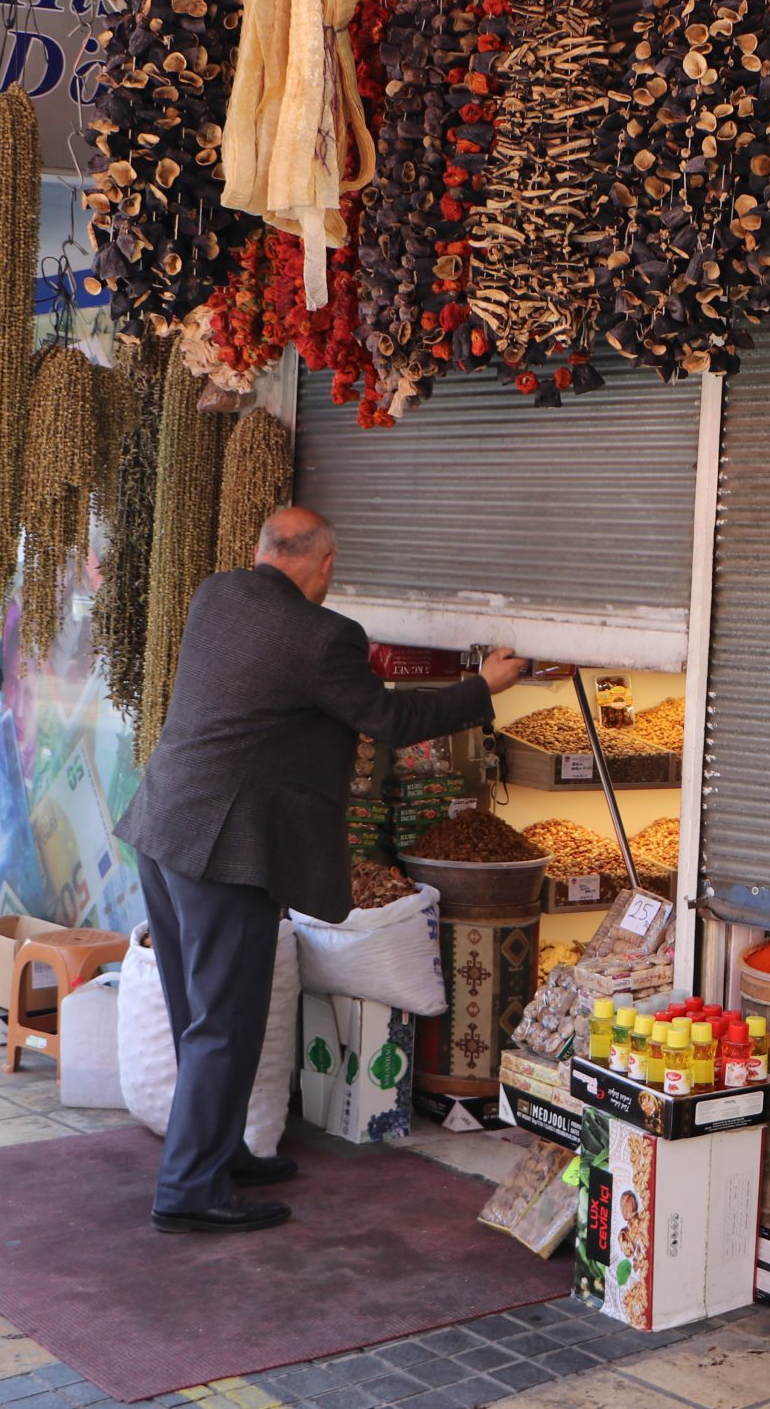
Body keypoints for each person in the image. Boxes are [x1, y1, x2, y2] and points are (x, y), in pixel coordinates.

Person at [117, 505, 527, 1234]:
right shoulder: (324, 636)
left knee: (201, 1016)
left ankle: (217, 1155)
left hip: (163, 828)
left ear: (260, 550)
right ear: (325, 565)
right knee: (224, 1023)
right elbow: (389, 722)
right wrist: (484, 686)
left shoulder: (215, 594)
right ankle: (188, 1189)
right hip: (226, 853)